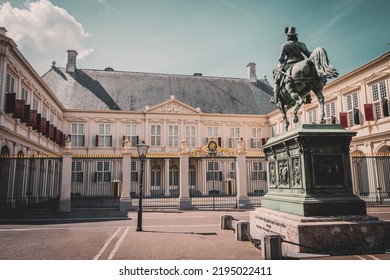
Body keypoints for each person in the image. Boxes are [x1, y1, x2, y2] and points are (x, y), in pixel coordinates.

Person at [270, 27, 311, 104]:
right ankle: (308, 97)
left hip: (289, 64)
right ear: (295, 35)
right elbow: (309, 55)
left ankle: (276, 97)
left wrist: (280, 59)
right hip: (301, 62)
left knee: (277, 78)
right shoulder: (302, 45)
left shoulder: (285, 45)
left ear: (288, 36)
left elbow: (281, 59)